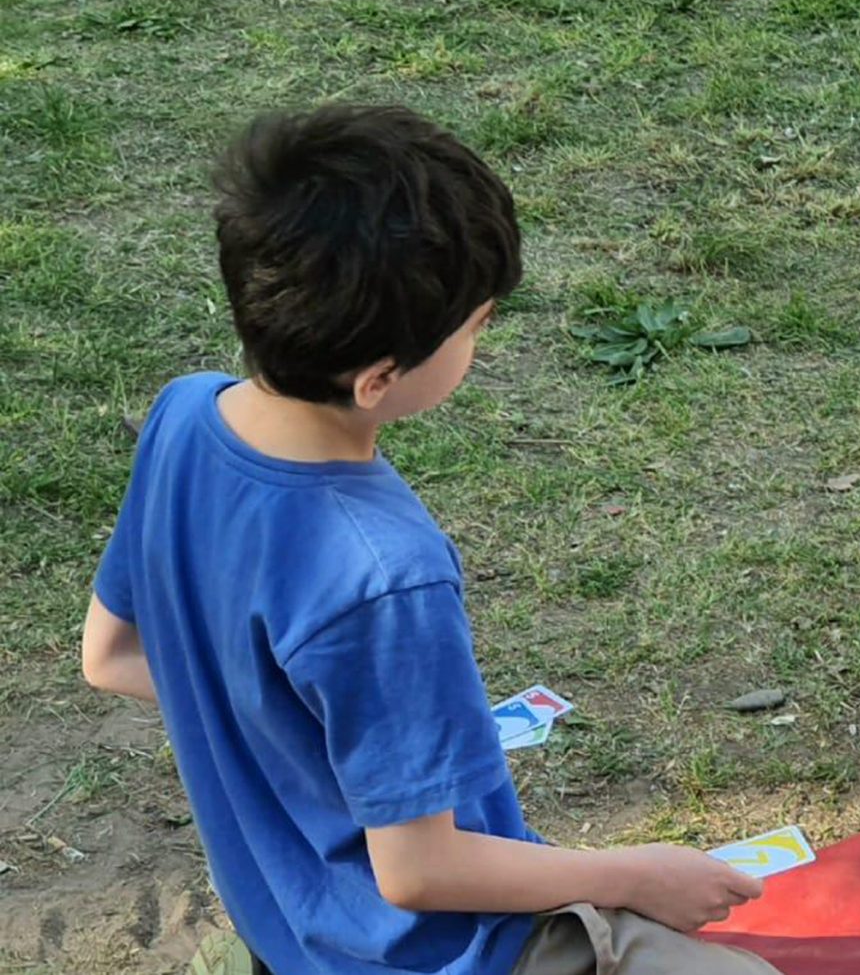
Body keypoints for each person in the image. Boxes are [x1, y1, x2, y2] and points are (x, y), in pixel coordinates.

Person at [80, 104, 780, 975]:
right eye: (477, 326)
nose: (481, 340)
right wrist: (638, 874)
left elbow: (109, 655)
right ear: (378, 378)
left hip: (286, 934)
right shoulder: (383, 577)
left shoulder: (184, 414)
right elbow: (420, 871)